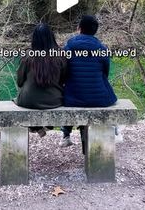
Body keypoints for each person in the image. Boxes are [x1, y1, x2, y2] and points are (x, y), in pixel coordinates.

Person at [60, 15, 117, 149]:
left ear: (79, 28)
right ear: (95, 31)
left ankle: (66, 135)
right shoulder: (102, 49)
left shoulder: (68, 48)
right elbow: (105, 73)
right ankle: (112, 129)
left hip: (72, 98)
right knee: (107, 90)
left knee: (69, 92)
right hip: (99, 99)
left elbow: (63, 73)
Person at [16, 23, 67, 137]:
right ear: (51, 37)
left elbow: (19, 82)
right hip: (53, 101)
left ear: (34, 39)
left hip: (27, 101)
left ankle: (36, 127)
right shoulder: (60, 56)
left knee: (26, 95)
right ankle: (45, 125)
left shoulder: (28, 56)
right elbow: (63, 80)